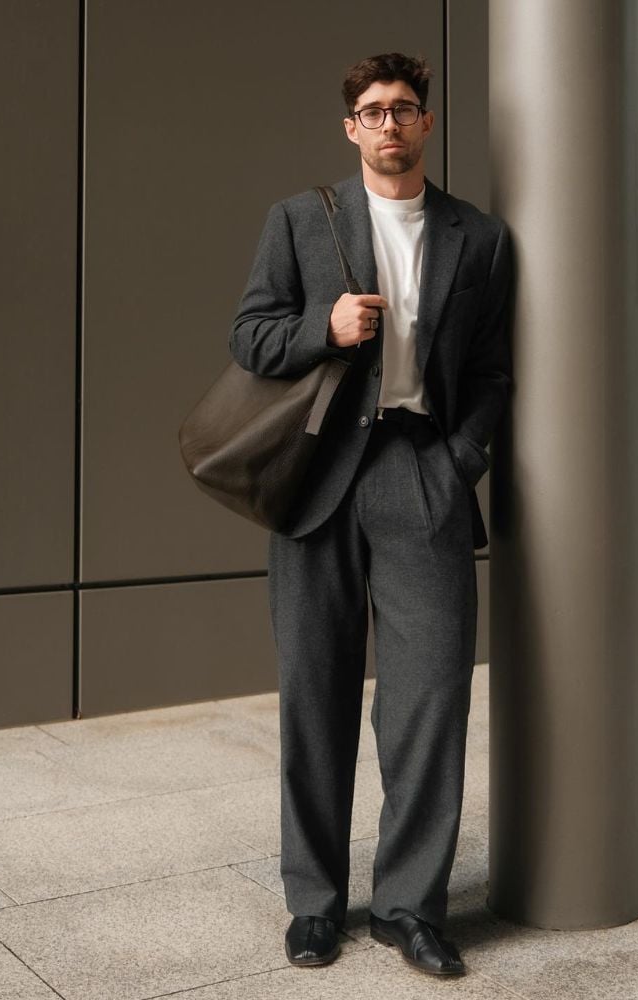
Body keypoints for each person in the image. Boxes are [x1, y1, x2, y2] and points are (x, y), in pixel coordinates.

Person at [229, 52, 512, 978]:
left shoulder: (480, 238)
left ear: (427, 124)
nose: (389, 124)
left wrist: (458, 460)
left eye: (405, 110)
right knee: (314, 695)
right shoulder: (300, 223)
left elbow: (494, 373)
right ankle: (315, 904)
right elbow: (250, 335)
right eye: (373, 111)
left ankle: (410, 906)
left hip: (418, 471)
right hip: (317, 481)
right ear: (351, 127)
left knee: (430, 698)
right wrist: (325, 327)